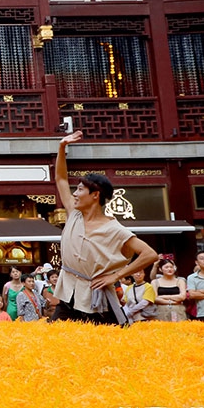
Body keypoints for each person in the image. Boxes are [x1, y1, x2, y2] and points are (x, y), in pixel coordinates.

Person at [52, 132, 158, 324]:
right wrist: (61, 147)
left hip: (96, 298)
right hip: (69, 294)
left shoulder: (115, 229)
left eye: (80, 189)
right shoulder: (74, 213)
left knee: (106, 339)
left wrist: (116, 276)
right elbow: (61, 179)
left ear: (95, 195)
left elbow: (150, 254)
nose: (75, 194)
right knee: (55, 336)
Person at [152, 258, 188, 322]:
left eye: (171, 267)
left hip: (178, 310)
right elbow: (155, 298)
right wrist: (172, 302)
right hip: (160, 311)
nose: (169, 269)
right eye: (166, 267)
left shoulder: (180, 281)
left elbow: (182, 297)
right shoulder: (155, 282)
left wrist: (163, 297)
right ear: (160, 269)